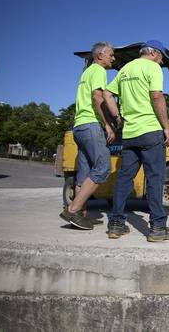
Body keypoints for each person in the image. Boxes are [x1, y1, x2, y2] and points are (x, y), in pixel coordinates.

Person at [103, 40, 169, 242]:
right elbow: (156, 97)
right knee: (155, 179)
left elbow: (107, 94)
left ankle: (116, 224)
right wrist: (166, 127)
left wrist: (118, 117)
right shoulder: (152, 68)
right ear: (154, 53)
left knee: (123, 179)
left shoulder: (126, 69)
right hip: (150, 131)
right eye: (161, 57)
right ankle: (158, 228)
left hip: (129, 134)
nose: (161, 61)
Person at [60, 42, 116, 230]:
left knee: (83, 175)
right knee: (103, 167)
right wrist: (108, 123)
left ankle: (81, 215)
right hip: (91, 125)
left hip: (79, 127)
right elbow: (97, 97)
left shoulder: (86, 73)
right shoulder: (99, 70)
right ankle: (73, 208)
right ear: (100, 55)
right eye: (111, 55)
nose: (113, 58)